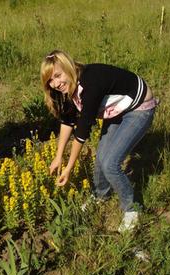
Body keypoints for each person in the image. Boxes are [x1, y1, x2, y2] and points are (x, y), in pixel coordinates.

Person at [41, 50, 158, 232]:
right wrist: (58, 157)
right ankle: (100, 196)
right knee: (101, 158)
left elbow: (82, 131)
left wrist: (69, 168)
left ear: (68, 67)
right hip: (117, 109)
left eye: (58, 75)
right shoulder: (67, 88)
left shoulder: (90, 83)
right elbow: (68, 122)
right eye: (50, 80)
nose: (55, 83)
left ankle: (132, 209)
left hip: (138, 108)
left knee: (111, 164)